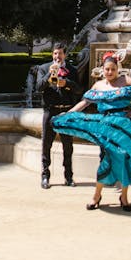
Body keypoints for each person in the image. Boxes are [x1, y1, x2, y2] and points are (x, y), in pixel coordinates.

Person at [52, 52, 131, 212]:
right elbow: (85, 103)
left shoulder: (126, 81)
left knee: (125, 160)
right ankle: (97, 195)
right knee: (106, 160)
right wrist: (69, 113)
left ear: (117, 69)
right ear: (103, 69)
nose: (109, 72)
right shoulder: (98, 86)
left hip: (125, 128)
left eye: (113, 69)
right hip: (107, 129)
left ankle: (124, 197)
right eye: (107, 69)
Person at [35, 43, 82, 190]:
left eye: (60, 54)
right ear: (52, 54)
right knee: (46, 145)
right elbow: (38, 88)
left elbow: (79, 89)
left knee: (68, 146)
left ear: (65, 55)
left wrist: (66, 83)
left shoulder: (72, 70)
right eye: (55, 53)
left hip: (66, 112)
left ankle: (68, 176)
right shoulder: (43, 68)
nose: (57, 56)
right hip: (50, 111)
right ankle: (45, 176)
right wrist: (50, 74)